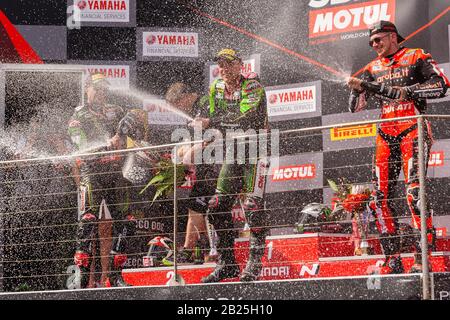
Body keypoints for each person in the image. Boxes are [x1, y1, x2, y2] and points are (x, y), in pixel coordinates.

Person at [346, 21, 449, 273]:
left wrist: (408, 92)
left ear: (393, 37)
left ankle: (421, 258)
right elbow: (355, 108)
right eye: (371, 42)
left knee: (414, 194)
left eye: (378, 40)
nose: (374, 45)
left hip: (412, 129)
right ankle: (392, 259)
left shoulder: (416, 56)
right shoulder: (372, 68)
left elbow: (442, 85)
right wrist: (356, 89)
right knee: (379, 198)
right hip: (385, 135)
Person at [190, 48, 269, 282]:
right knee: (216, 205)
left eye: (228, 64)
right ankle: (227, 264)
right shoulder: (215, 87)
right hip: (233, 152)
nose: (223, 69)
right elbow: (217, 121)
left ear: (239, 65)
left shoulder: (253, 87)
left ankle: (254, 264)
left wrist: (210, 122)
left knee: (253, 206)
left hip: (256, 150)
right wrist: (206, 136)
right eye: (220, 65)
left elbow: (246, 118)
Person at [68, 72, 134, 287]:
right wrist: (108, 144)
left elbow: (133, 124)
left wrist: (127, 128)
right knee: (88, 220)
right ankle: (83, 277)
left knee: (127, 222)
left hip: (115, 173)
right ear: (87, 89)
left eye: (105, 89)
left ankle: (115, 276)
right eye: (97, 88)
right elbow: (82, 150)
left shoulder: (115, 110)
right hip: (92, 173)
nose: (102, 93)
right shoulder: (79, 116)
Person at [164, 82, 216, 264]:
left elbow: (217, 133)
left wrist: (192, 151)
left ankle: (209, 248)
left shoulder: (205, 102)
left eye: (177, 105)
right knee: (194, 207)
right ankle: (187, 250)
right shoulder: (194, 111)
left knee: (196, 206)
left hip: (218, 164)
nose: (178, 109)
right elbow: (194, 143)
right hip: (206, 165)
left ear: (185, 97)